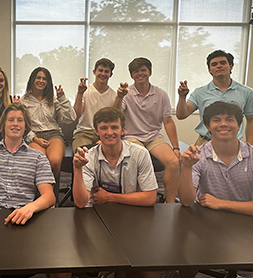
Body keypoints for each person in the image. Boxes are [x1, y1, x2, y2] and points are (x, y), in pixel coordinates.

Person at [178, 101, 253, 278]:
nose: (223, 124)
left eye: (229, 119)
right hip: (206, 224)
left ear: (238, 125)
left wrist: (222, 203)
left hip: (250, 224)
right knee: (185, 262)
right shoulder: (198, 157)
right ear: (208, 126)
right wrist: (187, 167)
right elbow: (186, 201)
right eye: (216, 120)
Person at [73, 107, 158, 278]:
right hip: (97, 217)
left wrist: (110, 197)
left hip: (132, 216)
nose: (109, 132)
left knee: (150, 273)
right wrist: (77, 169)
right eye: (104, 128)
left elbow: (150, 197)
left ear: (123, 130)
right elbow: (81, 202)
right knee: (82, 263)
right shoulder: (89, 156)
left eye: (114, 127)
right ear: (96, 131)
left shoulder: (140, 154)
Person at [112, 57, 180, 203]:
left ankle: (170, 203)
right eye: (136, 71)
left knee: (174, 162)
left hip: (154, 137)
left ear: (150, 72)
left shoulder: (161, 94)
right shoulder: (126, 93)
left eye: (143, 70)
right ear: (131, 75)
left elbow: (168, 121)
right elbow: (115, 114)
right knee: (135, 162)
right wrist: (119, 97)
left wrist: (175, 147)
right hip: (132, 136)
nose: (140, 73)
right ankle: (135, 200)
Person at [176, 50, 253, 146]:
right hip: (205, 142)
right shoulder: (200, 92)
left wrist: (250, 146)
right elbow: (181, 115)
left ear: (231, 66)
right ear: (210, 70)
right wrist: (182, 97)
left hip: (233, 143)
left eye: (223, 63)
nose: (219, 66)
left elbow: (252, 120)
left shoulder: (247, 92)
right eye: (214, 64)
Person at [21, 67, 76, 179]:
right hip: (34, 136)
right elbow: (24, 126)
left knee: (55, 162)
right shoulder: (24, 100)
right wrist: (34, 139)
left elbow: (70, 118)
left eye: (44, 79)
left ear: (48, 82)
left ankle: (52, 194)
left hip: (53, 134)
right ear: (32, 80)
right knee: (40, 162)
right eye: (38, 78)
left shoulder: (54, 99)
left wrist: (63, 99)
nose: (41, 81)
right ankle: (40, 195)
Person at [73, 58, 117, 153]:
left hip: (105, 133)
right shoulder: (85, 91)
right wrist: (80, 93)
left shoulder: (114, 95)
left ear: (111, 75)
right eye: (100, 70)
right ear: (94, 72)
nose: (103, 74)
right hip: (84, 133)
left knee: (104, 154)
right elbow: (76, 115)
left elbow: (115, 120)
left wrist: (102, 139)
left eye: (106, 71)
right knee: (80, 154)